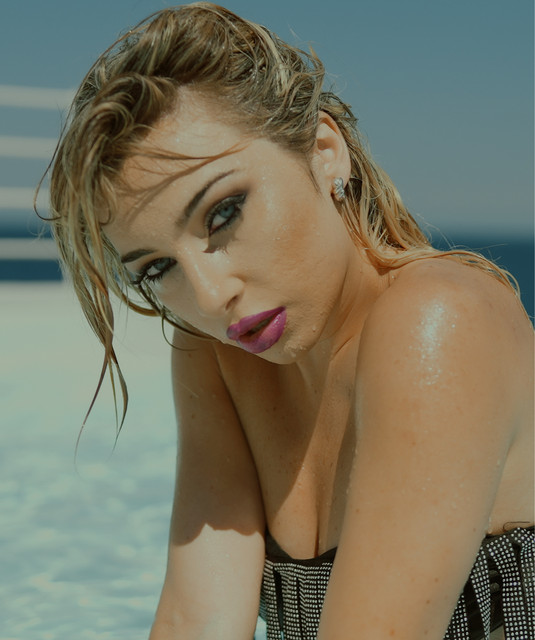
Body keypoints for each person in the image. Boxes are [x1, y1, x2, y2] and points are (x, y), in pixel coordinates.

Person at [42, 3, 534, 639]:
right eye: (157, 267)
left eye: (223, 214)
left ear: (325, 152)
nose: (210, 296)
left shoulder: (441, 322)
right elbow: (197, 618)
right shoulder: (216, 354)